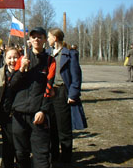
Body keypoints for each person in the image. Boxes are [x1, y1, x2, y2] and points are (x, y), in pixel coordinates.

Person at [10, 27, 56, 168]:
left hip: (38, 115)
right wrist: (21, 70)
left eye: (40, 37)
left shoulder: (50, 61)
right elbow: (12, 85)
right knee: (21, 154)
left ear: (44, 40)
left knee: (41, 155)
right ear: (29, 39)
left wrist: (43, 110)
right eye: (33, 37)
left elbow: (49, 88)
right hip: (19, 114)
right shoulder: (22, 58)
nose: (36, 39)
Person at [47, 28, 87, 166]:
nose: (47, 39)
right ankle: (54, 157)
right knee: (52, 127)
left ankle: (65, 159)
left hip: (63, 92)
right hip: (49, 93)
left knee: (63, 129)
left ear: (56, 38)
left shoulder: (69, 54)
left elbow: (76, 76)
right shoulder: (49, 54)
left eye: (49, 37)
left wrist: (73, 93)